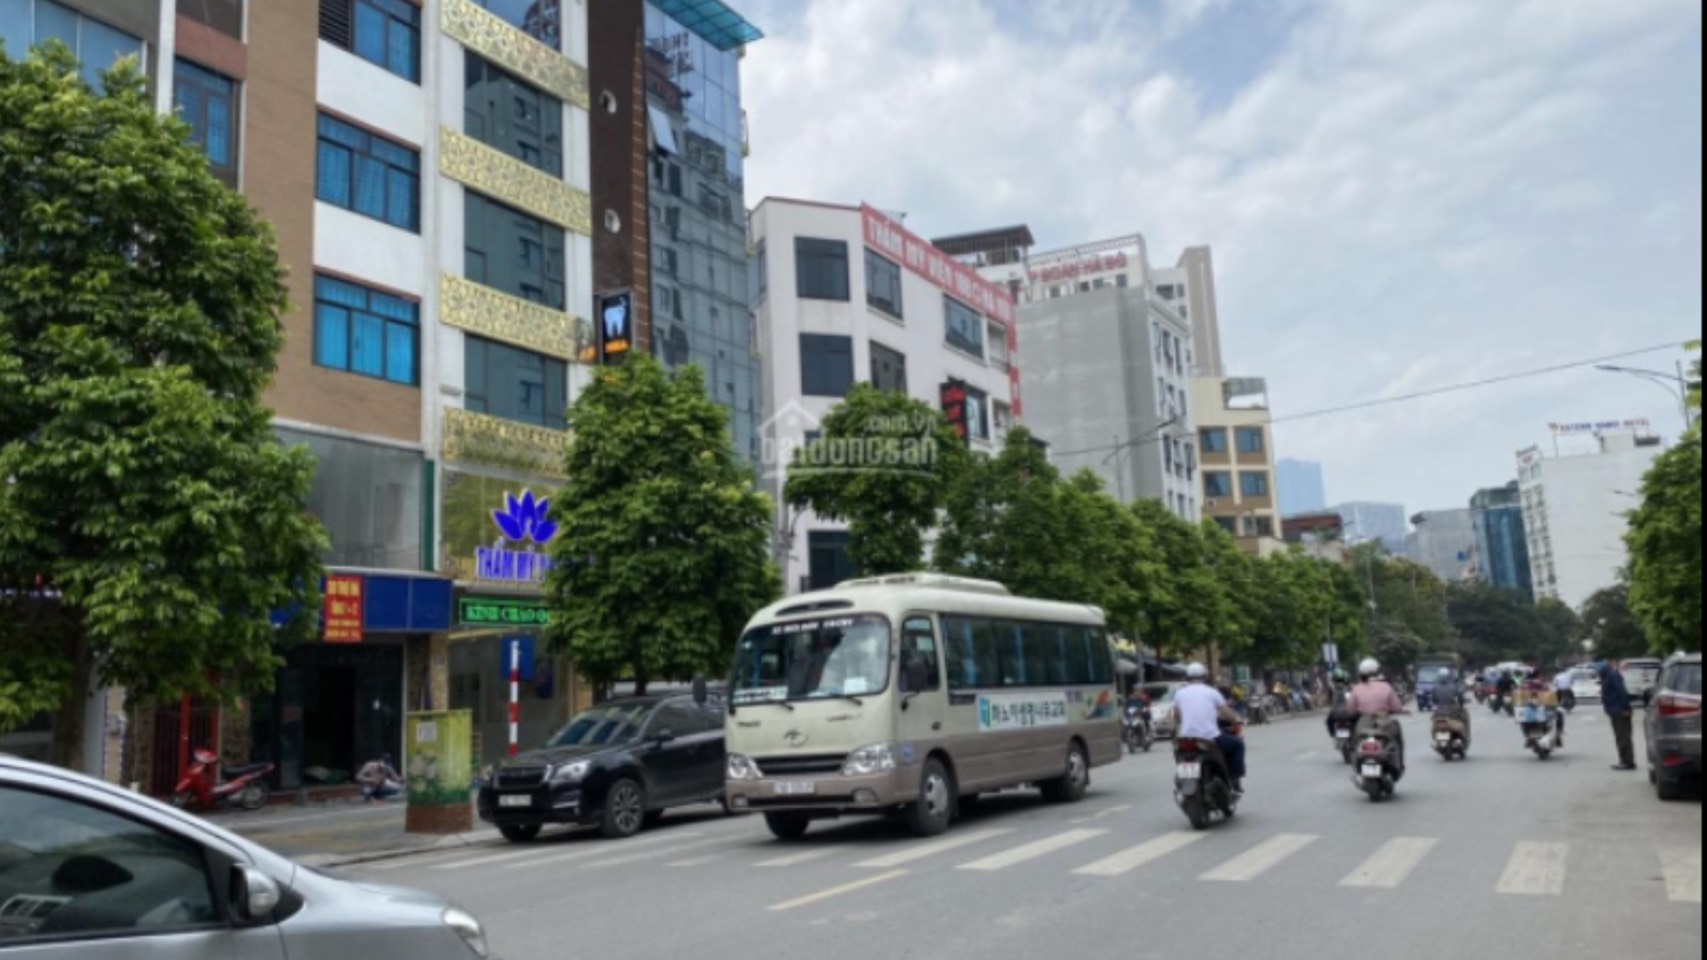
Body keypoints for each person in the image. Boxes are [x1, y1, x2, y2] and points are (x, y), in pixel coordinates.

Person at [1173, 663, 1248, 795]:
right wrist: (1235, 722)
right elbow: (1227, 714)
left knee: (1180, 755)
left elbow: (1177, 717)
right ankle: (1235, 780)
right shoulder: (1212, 692)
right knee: (1238, 745)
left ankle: (1183, 781)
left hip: (1186, 738)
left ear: (1187, 677)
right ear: (1205, 676)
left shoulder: (1179, 694)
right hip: (1209, 737)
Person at [1348, 658, 1410, 774]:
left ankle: (1356, 766)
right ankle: (1399, 765)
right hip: (1384, 723)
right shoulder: (1386, 686)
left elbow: (1350, 709)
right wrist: (1401, 711)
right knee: (1397, 735)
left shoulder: (1357, 688)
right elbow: (1397, 706)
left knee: (1355, 742)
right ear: (1377, 671)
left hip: (1364, 725)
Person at [1598, 661, 1638, 771]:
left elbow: (1621, 692)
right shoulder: (1609, 676)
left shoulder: (1612, 676)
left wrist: (1625, 708)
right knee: (1621, 737)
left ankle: (1627, 762)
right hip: (1615, 710)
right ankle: (1624, 760)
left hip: (1620, 710)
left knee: (1623, 737)